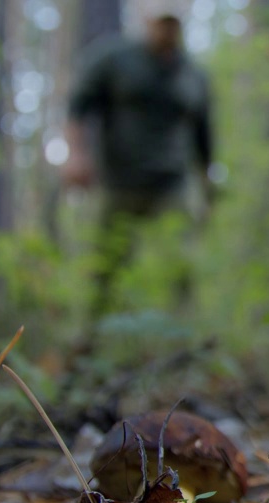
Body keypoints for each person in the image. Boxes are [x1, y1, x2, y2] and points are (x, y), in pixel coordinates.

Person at [62, 0, 213, 325]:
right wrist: (76, 154)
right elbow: (78, 107)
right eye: (162, 22)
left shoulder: (193, 74)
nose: (167, 30)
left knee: (182, 265)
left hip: (172, 185)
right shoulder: (113, 59)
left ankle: (183, 340)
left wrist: (207, 185)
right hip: (119, 183)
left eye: (173, 23)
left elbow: (204, 136)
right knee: (105, 267)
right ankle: (89, 339)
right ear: (147, 20)